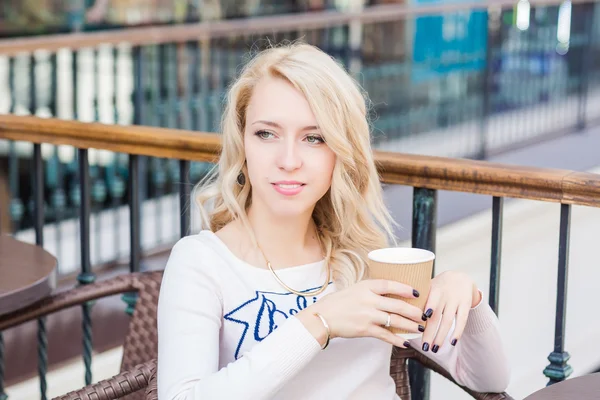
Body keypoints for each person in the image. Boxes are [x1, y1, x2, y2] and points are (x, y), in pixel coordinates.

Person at [157, 41, 511, 399]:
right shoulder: (201, 261)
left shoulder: (364, 261)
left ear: (340, 153)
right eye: (267, 133)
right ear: (243, 144)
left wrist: (469, 296)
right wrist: (320, 322)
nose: (289, 159)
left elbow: (488, 380)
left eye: (314, 138)